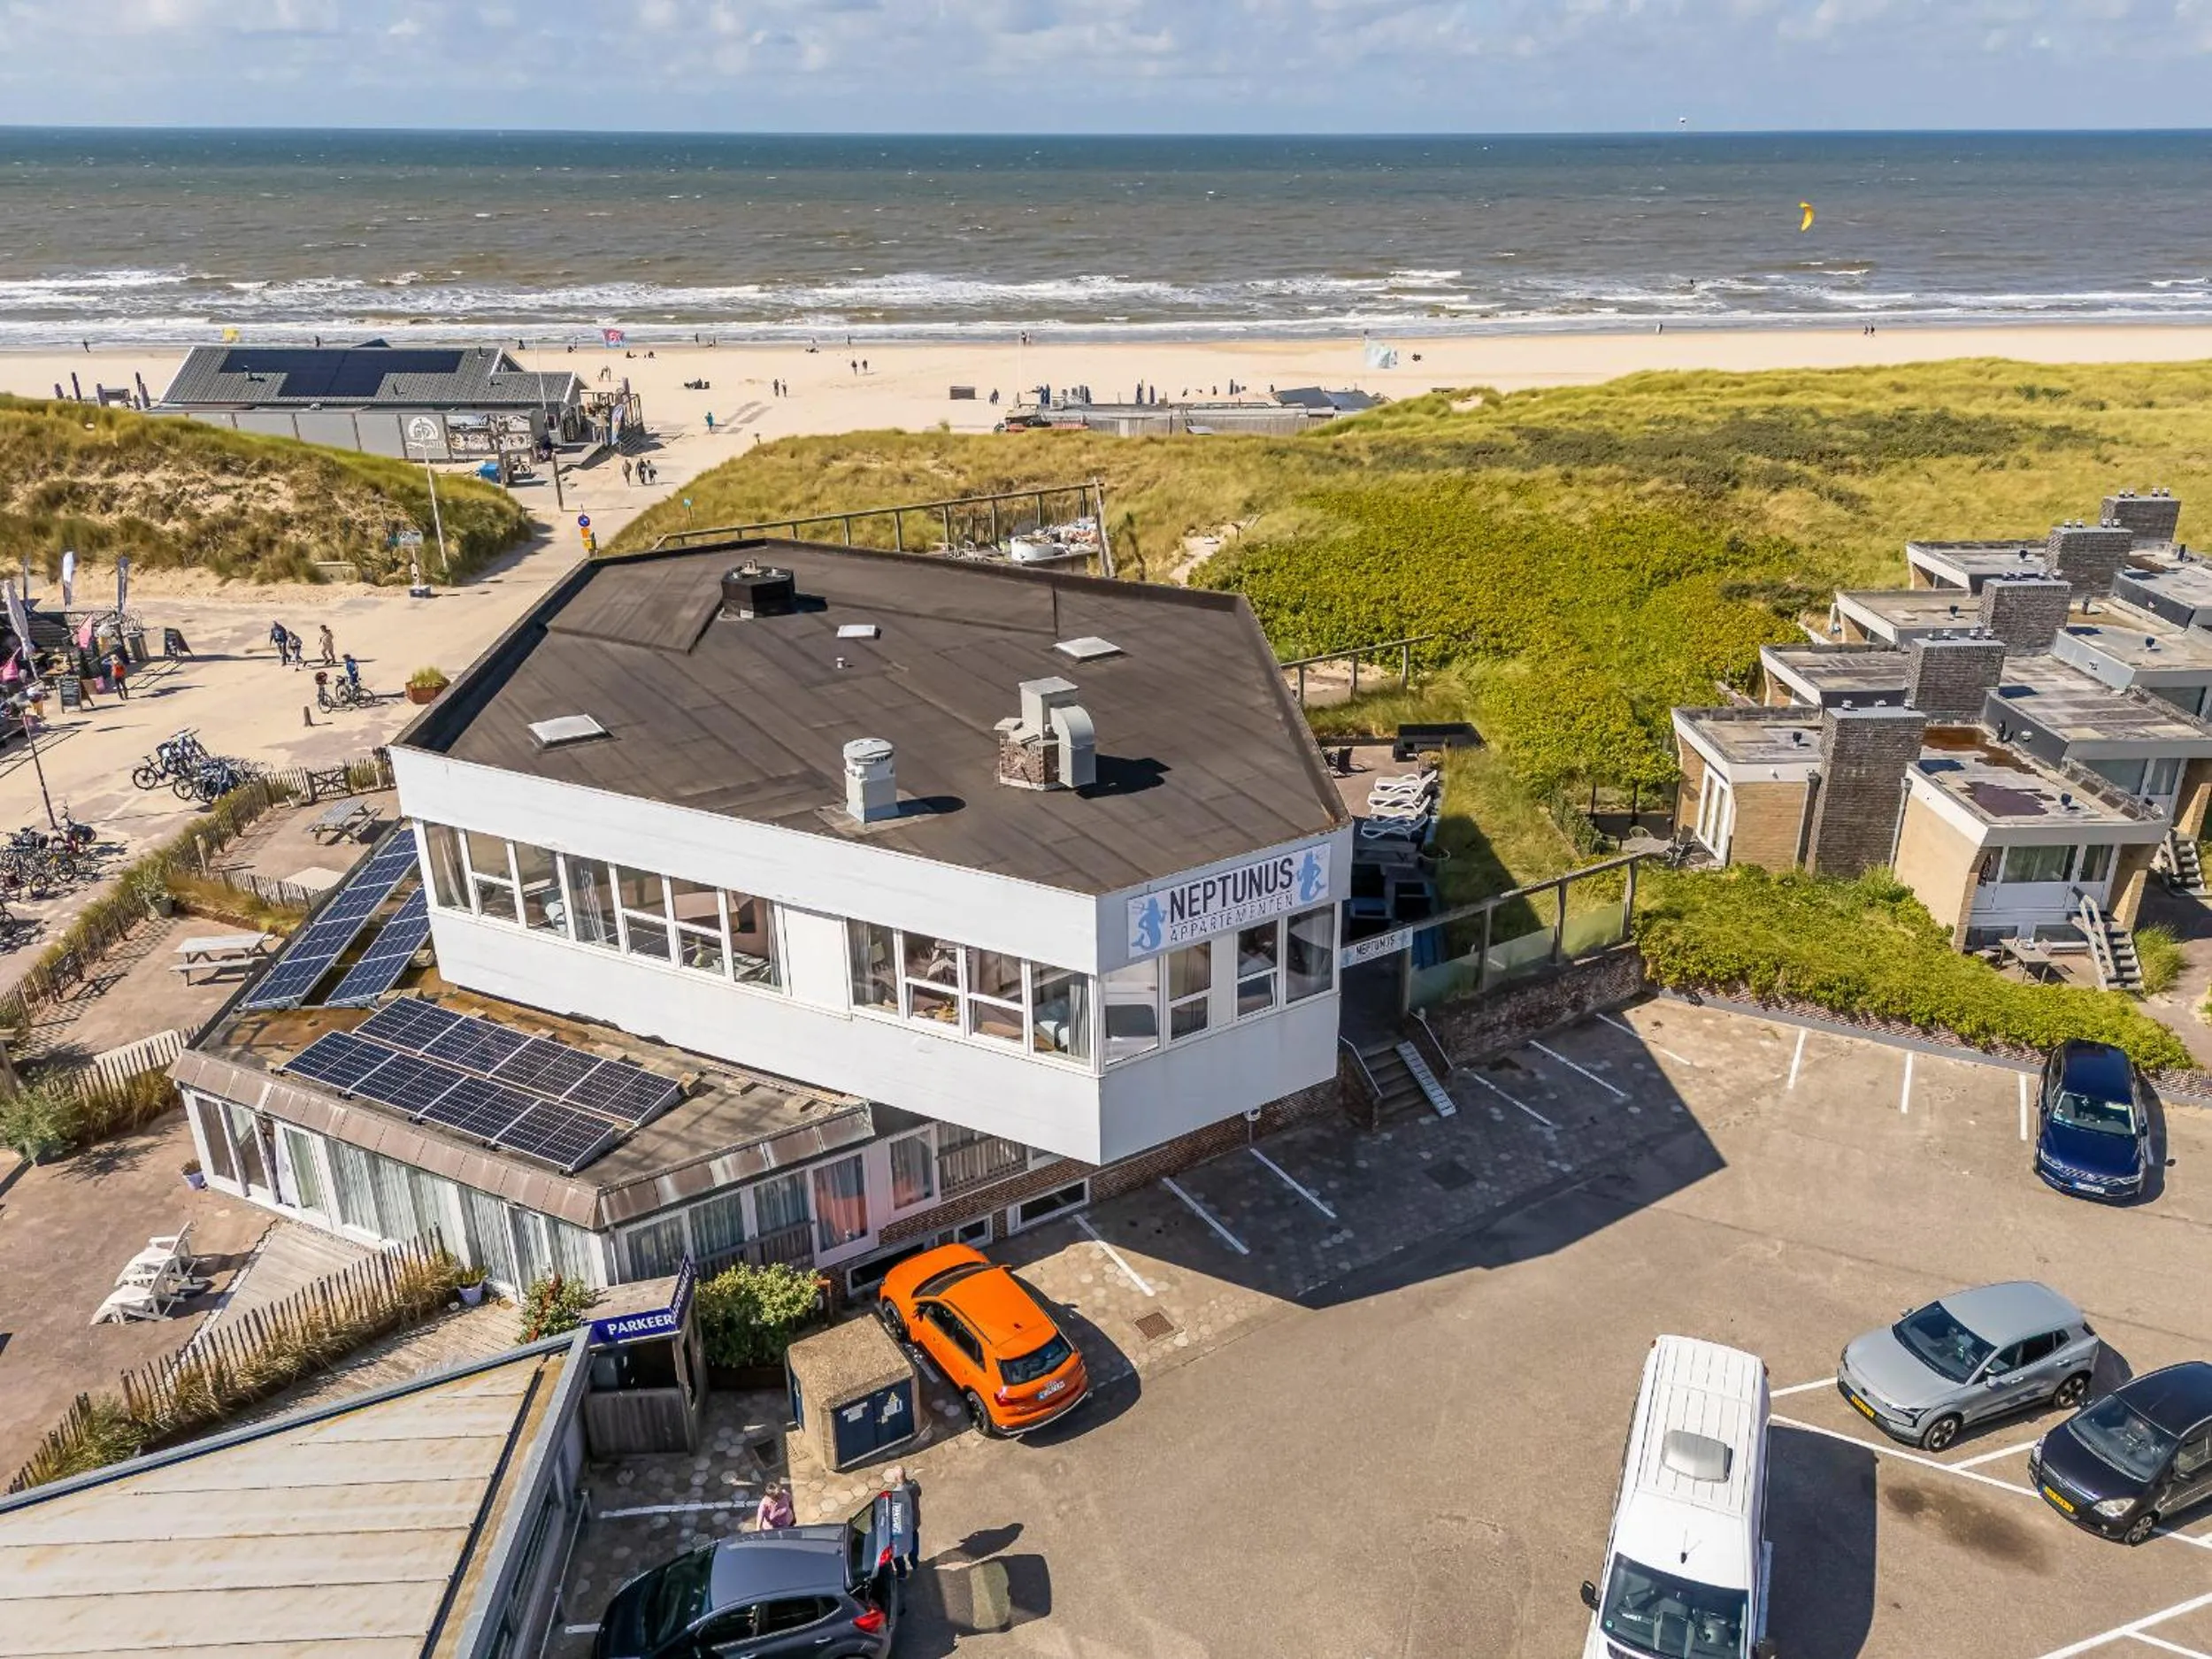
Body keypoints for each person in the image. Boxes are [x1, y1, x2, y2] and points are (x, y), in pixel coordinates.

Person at [882, 1466, 919, 1578]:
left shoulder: (896, 1494)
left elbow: (894, 1512)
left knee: (896, 1550)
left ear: (896, 1478)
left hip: (903, 1526)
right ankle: (914, 1562)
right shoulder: (914, 1485)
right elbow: (919, 1492)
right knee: (914, 1540)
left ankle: (902, 1572)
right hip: (914, 1522)